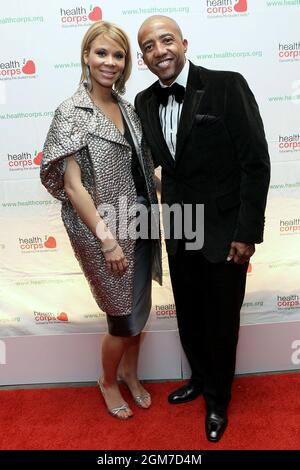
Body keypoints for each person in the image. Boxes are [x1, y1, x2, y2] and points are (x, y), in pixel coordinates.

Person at [135, 15, 270, 441]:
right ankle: (197, 378)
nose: (160, 51)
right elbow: (156, 166)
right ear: (144, 58)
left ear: (184, 43)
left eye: (166, 40)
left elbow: (255, 163)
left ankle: (217, 399)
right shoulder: (143, 101)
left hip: (226, 229)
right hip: (179, 225)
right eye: (150, 46)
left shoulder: (227, 85)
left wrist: (246, 232)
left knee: (222, 320)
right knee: (190, 315)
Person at [41, 20, 161, 420]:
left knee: (139, 310)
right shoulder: (70, 111)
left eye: (119, 55)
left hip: (140, 222)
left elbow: (143, 168)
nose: (110, 62)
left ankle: (130, 372)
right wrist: (107, 240)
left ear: (127, 62)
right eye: (102, 53)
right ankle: (108, 380)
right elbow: (73, 187)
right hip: (104, 231)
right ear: (86, 57)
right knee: (120, 316)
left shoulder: (129, 108)